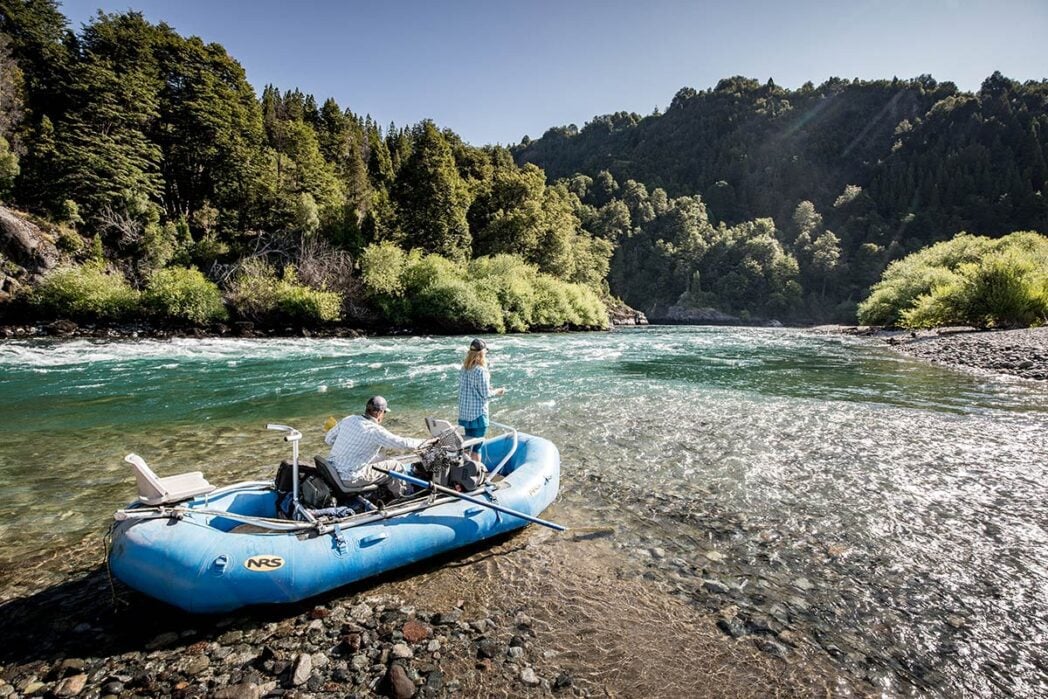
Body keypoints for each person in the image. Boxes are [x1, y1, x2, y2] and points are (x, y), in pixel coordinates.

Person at [324, 395, 425, 497]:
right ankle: (406, 495)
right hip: (349, 478)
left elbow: (328, 439)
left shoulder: (349, 419)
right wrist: (426, 442)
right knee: (395, 466)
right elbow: (402, 443)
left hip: (333, 472)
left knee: (381, 458)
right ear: (379, 412)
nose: (383, 415)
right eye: (384, 412)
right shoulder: (375, 431)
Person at [457, 339, 506, 451]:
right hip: (478, 416)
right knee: (477, 448)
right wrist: (498, 391)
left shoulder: (464, 369)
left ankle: (468, 466)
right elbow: (485, 395)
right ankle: (477, 467)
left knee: (469, 446)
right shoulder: (481, 371)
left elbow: (469, 389)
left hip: (465, 415)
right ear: (482, 353)